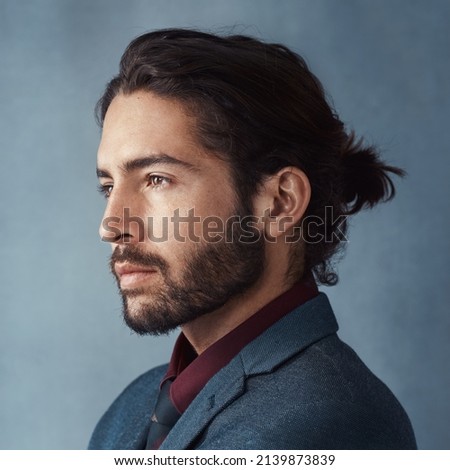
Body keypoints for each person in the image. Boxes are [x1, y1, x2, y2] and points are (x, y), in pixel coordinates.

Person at [88, 28, 416, 450]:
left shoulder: (326, 424)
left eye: (157, 179)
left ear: (280, 202)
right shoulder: (131, 408)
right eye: (109, 186)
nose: (111, 225)